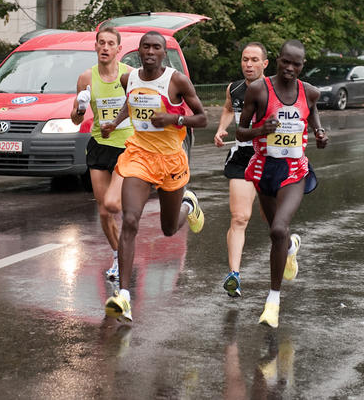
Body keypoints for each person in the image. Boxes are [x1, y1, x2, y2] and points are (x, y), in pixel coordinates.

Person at [101, 31, 208, 322]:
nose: (150, 51)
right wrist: (117, 121)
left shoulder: (176, 81)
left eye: (156, 47)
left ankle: (189, 205)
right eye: (145, 47)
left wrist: (174, 119)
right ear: (138, 51)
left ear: (164, 53)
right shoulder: (129, 78)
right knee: (131, 220)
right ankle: (124, 296)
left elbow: (202, 117)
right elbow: (131, 103)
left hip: (171, 159)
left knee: (169, 229)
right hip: (138, 156)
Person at [236, 39, 328, 328]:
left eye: (296, 64)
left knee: (278, 228)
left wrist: (319, 132)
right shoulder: (258, 90)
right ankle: (290, 247)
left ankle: (273, 301)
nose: (289, 68)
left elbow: (312, 111)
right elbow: (240, 132)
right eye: (285, 61)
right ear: (277, 60)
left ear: (302, 66)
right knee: (276, 231)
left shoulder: (309, 92)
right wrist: (261, 129)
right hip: (264, 169)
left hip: (294, 171)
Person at [70, 27, 132, 280]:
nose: (105, 48)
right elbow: (75, 120)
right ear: (95, 47)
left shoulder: (130, 74)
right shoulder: (86, 78)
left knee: (114, 204)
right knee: (105, 211)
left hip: (128, 146)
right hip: (99, 145)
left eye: (110, 44)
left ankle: (127, 247)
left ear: (119, 49)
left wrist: (117, 123)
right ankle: (118, 256)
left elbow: (140, 106)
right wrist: (80, 109)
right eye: (101, 43)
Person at [213, 42, 269, 298]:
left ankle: (289, 246)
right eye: (245, 59)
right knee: (239, 218)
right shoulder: (234, 88)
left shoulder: (275, 90)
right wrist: (221, 128)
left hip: (271, 158)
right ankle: (234, 275)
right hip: (243, 156)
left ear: (265, 64)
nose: (248, 64)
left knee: (274, 222)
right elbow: (227, 108)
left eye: (254, 60)